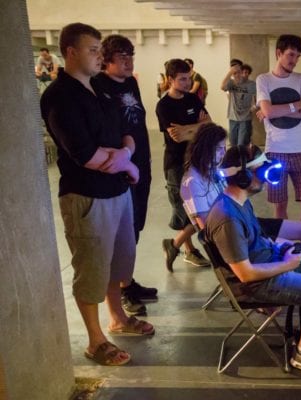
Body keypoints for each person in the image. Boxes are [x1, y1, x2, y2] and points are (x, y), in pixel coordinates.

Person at [40, 22, 154, 367]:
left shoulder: (99, 90)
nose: (99, 56)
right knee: (91, 268)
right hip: (87, 196)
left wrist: (125, 157)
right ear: (71, 51)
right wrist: (126, 163)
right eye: (92, 50)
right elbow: (84, 154)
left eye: (99, 51)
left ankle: (118, 317)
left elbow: (128, 133)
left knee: (117, 262)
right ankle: (95, 340)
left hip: (117, 191)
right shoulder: (60, 95)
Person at [204, 145, 301, 377]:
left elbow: (258, 239)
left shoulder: (240, 201)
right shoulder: (227, 218)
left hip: (270, 263)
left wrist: (281, 248)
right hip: (256, 285)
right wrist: (288, 264)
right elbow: (245, 275)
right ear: (244, 176)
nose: (267, 177)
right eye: (261, 170)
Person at [180, 124, 301, 252]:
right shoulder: (192, 181)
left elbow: (236, 192)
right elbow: (206, 228)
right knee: (297, 248)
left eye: (224, 148)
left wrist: (254, 180)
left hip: (247, 222)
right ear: (205, 148)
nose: (223, 153)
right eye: (219, 149)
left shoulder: (214, 168)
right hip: (235, 232)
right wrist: (260, 241)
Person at [95, 34, 157, 315]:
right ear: (106, 60)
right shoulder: (99, 85)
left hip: (141, 161)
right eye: (122, 57)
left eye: (130, 56)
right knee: (124, 230)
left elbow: (137, 123)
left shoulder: (131, 83)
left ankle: (127, 281)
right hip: (122, 166)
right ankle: (121, 289)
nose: (128, 62)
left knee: (136, 226)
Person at [156, 58, 211, 271]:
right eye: (182, 79)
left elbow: (208, 125)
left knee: (199, 209)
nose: (188, 83)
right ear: (170, 80)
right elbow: (176, 136)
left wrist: (190, 129)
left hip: (195, 160)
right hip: (176, 164)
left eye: (189, 78)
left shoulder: (193, 99)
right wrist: (197, 126)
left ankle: (176, 245)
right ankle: (184, 248)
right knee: (186, 212)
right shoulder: (164, 106)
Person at [256, 34, 301, 223]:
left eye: (298, 56)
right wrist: (299, 104)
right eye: (291, 54)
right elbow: (268, 111)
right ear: (278, 53)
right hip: (276, 151)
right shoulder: (263, 80)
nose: (295, 60)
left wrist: (274, 111)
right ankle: (284, 240)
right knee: (280, 205)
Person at [220, 59, 257, 146]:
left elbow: (258, 97)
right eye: (234, 73)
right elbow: (222, 87)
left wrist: (255, 106)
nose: (237, 75)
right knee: (233, 143)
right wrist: (230, 72)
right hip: (233, 117)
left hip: (245, 118)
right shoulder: (231, 83)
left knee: (242, 144)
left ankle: (244, 155)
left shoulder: (251, 84)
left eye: (239, 72)